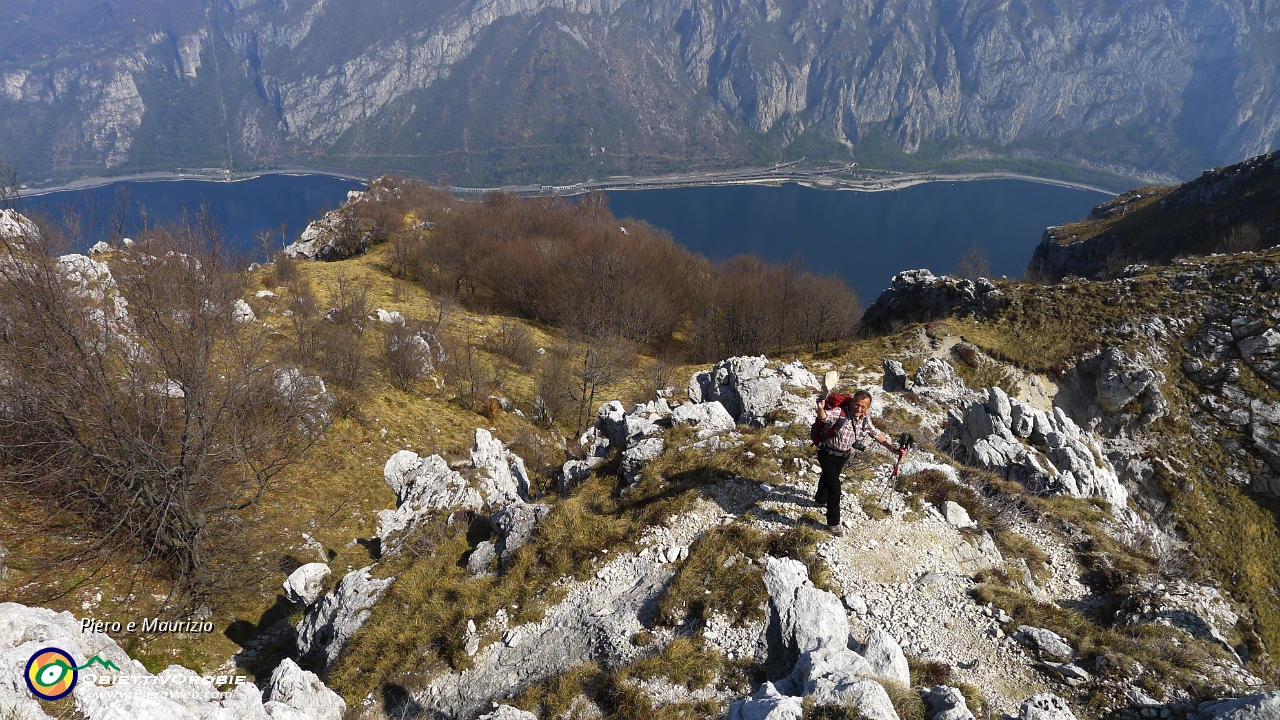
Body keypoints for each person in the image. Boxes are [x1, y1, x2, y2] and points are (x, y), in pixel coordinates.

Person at [813, 389, 906, 536]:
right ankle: (833, 523)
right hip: (826, 453)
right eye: (856, 405)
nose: (859, 409)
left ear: (867, 408)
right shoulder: (840, 412)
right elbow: (825, 417)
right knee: (835, 488)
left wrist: (892, 449)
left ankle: (819, 499)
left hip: (843, 456)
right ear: (852, 402)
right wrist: (820, 408)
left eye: (863, 407)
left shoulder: (864, 419)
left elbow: (876, 433)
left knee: (830, 477)